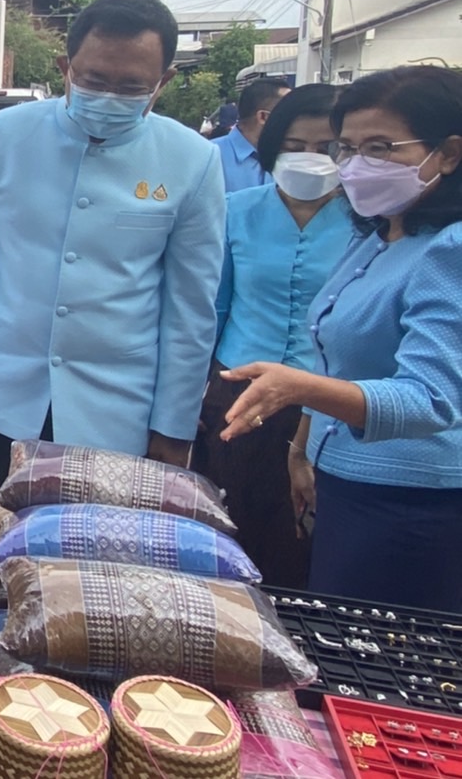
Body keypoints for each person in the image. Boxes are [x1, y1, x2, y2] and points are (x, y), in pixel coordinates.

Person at [0, 0, 226, 483]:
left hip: (118, 406)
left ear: (163, 81)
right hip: (5, 392)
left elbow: (191, 305)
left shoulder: (193, 160)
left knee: (95, 549)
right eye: (93, 80)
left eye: (132, 86)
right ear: (66, 66)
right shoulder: (2, 136)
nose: (109, 96)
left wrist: (174, 426)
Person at [222, 66, 462, 613]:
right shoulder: (380, 232)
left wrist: (298, 390)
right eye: (348, 148)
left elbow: (431, 399)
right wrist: (303, 448)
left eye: (381, 148)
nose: (356, 166)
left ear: (447, 153)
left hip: (410, 502)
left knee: (380, 660)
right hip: (345, 479)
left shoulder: (449, 250)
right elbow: (338, 357)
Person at [193, 84, 351, 588]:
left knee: (300, 536)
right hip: (237, 398)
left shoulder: (368, 223)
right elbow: (213, 307)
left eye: (326, 148)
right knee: (230, 528)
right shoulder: (236, 209)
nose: (311, 158)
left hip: (328, 403)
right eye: (296, 145)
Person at [213, 78, 290, 191]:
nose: (297, 120)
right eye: (290, 112)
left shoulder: (291, 157)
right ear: (263, 117)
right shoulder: (211, 157)